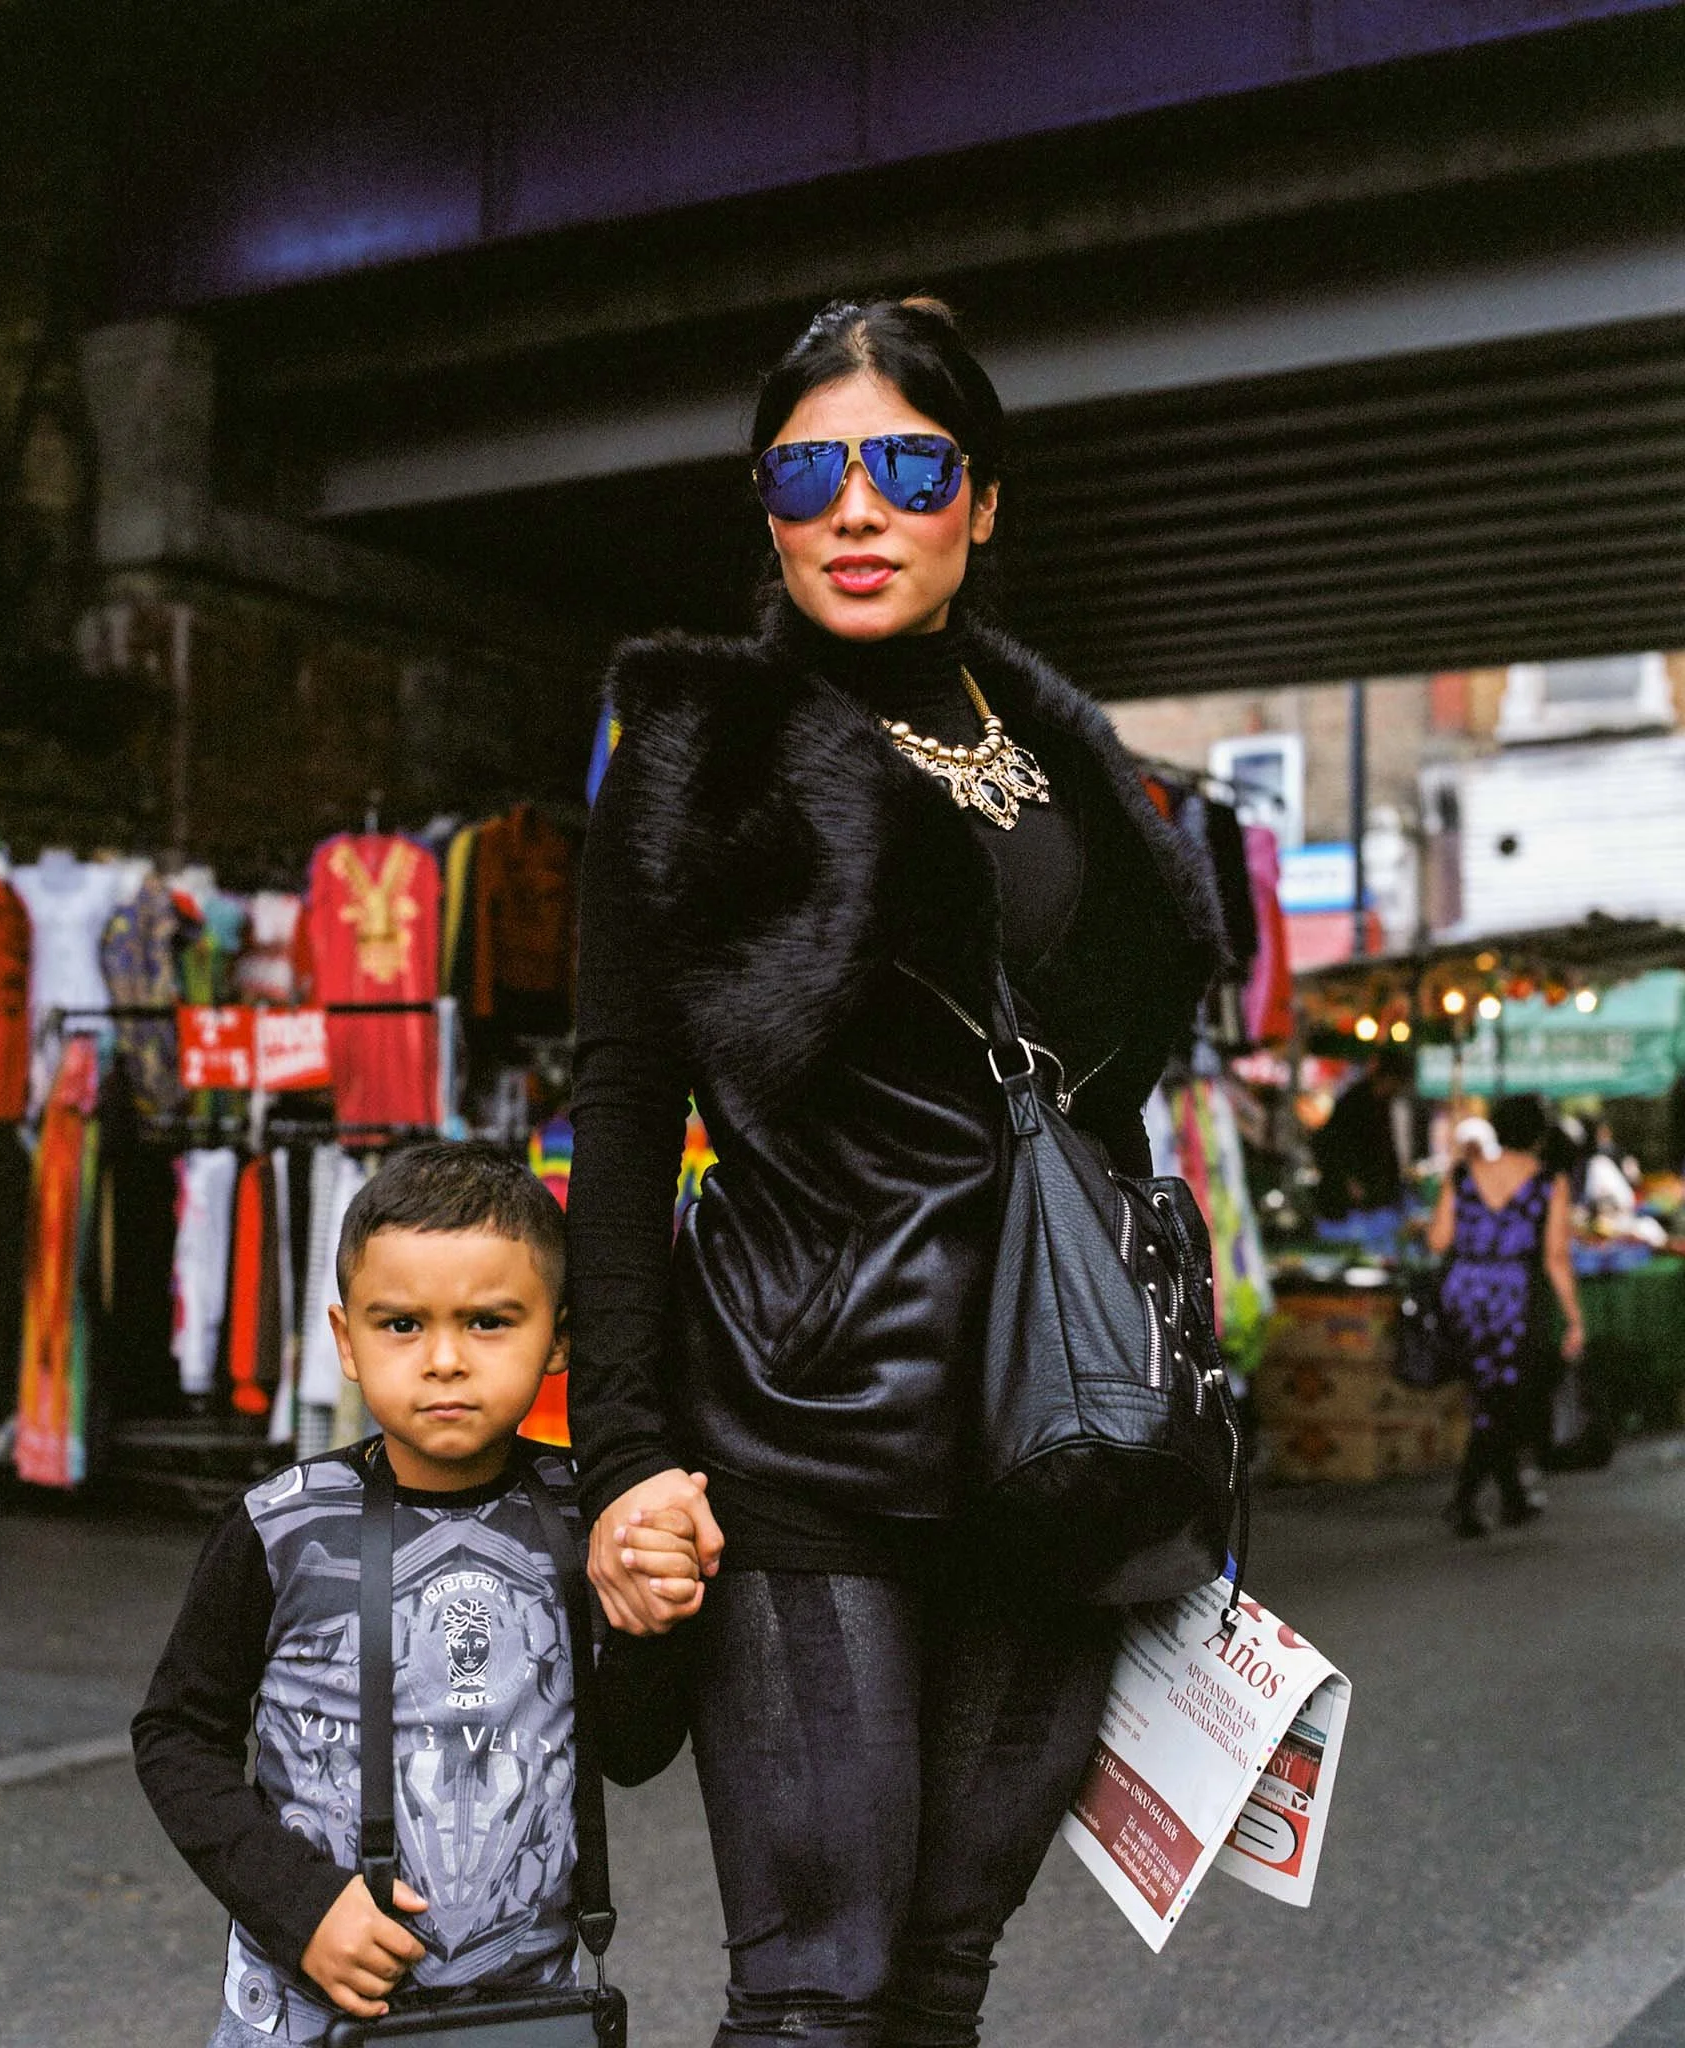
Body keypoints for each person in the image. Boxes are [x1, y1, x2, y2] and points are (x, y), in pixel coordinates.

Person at [567, 297, 1225, 2046]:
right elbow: (623, 1110)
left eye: (907, 462)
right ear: (767, 509)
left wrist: (1172, 1375)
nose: (856, 507)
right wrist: (622, 1452)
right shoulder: (698, 756)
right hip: (799, 1433)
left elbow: (1103, 1127)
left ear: (981, 501)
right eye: (809, 468)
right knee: (820, 1985)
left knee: (938, 1974)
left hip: (1060, 1444)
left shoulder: (1081, 778)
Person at [134, 1142, 695, 2045]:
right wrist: (300, 1907)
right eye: (400, 1324)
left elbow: (631, 1750)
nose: (443, 1359)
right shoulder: (278, 1528)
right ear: (344, 1338)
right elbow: (175, 1737)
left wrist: (654, 1622)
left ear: (559, 1338)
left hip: (522, 2015)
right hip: (305, 2017)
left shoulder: (592, 1520)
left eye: (488, 1322)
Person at [1429, 1094, 1585, 1538]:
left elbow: (1439, 1240)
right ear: (1538, 1135)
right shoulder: (1548, 1183)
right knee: (1501, 1399)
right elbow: (1556, 1257)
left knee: (1490, 1396)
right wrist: (1574, 1318)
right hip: (1512, 1296)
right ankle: (1463, 1501)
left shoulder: (1461, 1175)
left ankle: (1511, 1497)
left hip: (1463, 1292)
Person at [1312, 1048, 1411, 1245]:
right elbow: (1327, 1145)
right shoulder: (1354, 1102)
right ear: (1388, 1078)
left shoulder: (1382, 1104)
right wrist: (1348, 1179)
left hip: (1374, 1201)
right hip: (1348, 1206)